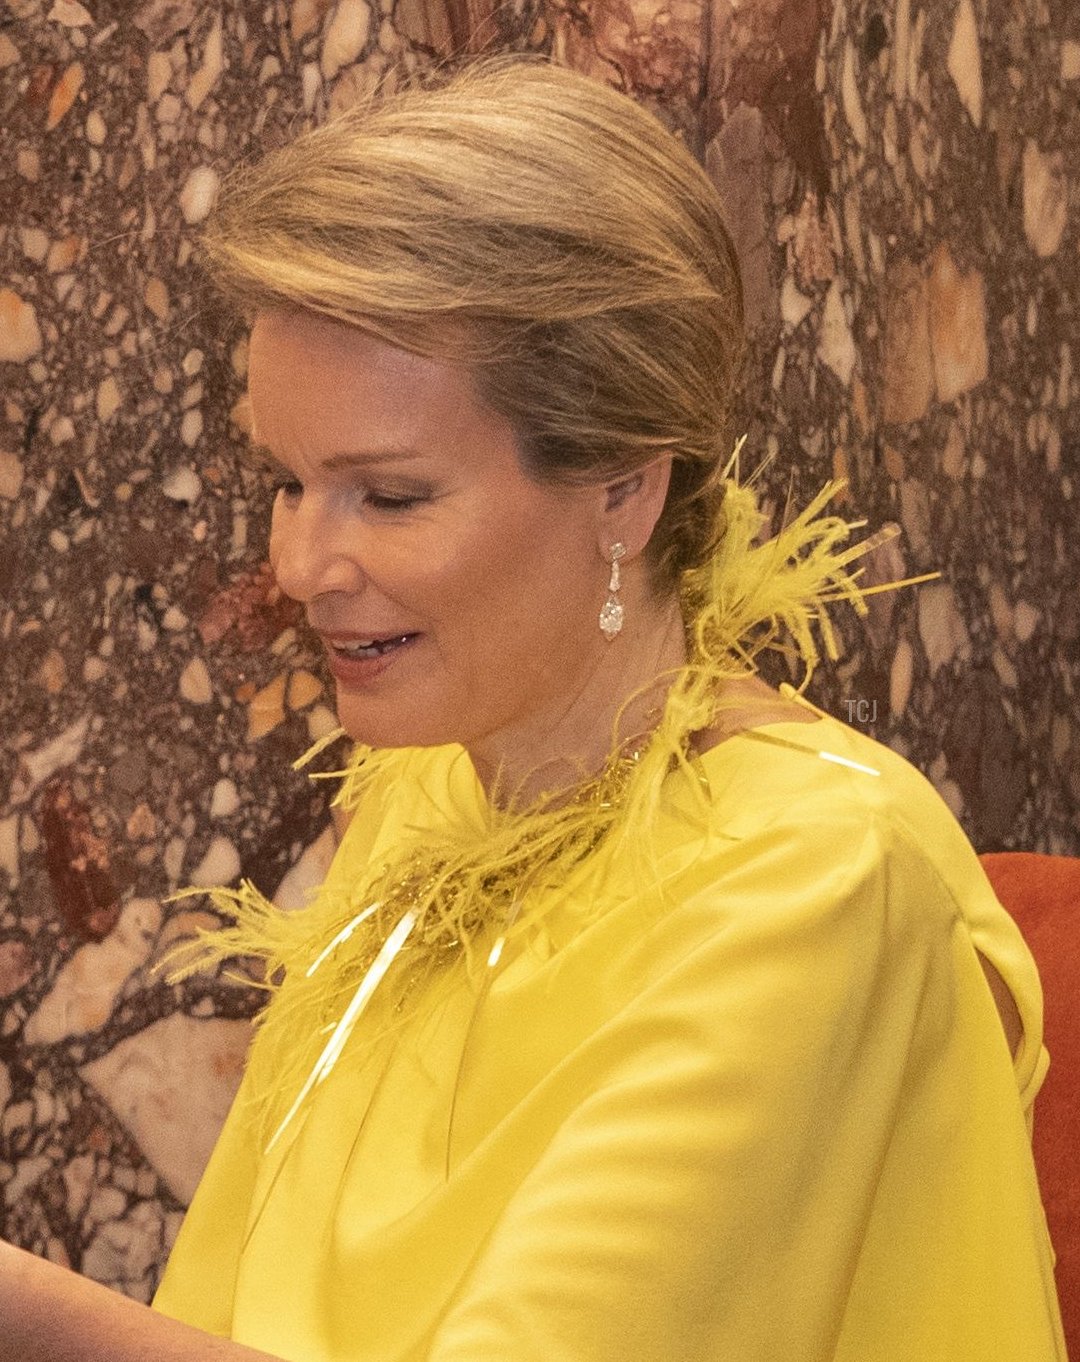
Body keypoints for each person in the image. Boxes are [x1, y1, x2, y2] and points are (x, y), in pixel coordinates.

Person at [0, 56, 1065, 1362]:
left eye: (387, 496)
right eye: (288, 482)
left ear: (624, 489)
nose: (295, 567)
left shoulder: (821, 878)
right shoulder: (433, 785)